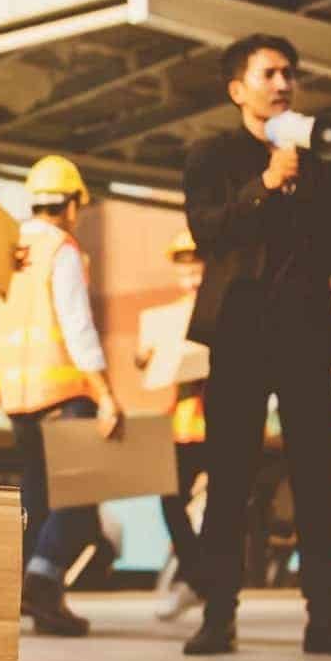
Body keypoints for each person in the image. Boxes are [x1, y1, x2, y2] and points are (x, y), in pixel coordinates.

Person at [181, 34, 331, 658]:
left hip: (305, 337)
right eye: (269, 73)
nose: (283, 83)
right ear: (238, 88)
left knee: (318, 481)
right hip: (239, 336)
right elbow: (207, 232)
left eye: (290, 73)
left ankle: (327, 618)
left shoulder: (323, 157)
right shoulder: (212, 155)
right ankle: (217, 615)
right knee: (230, 477)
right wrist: (265, 183)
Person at [0, 155, 123, 637]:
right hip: (64, 392)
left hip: (19, 398)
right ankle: (43, 583)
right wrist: (105, 393)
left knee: (38, 497)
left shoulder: (7, 252)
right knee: (81, 493)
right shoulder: (61, 250)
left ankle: (21, 585)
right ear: (71, 204)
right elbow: (77, 325)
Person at [136, 230, 210, 622]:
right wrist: (144, 359)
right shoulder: (171, 318)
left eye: (195, 269)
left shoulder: (220, 309)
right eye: (184, 271)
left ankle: (198, 580)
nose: (190, 278)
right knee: (169, 498)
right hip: (182, 424)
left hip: (220, 421)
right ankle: (197, 577)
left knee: (219, 508)